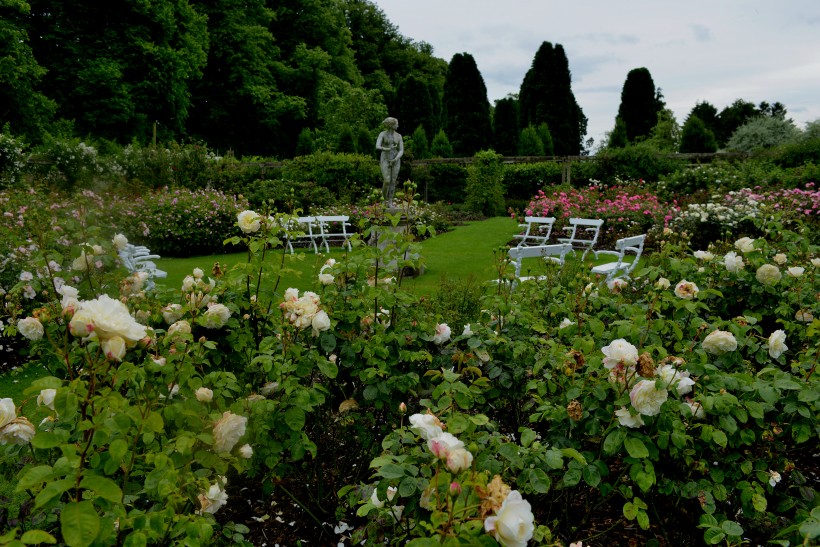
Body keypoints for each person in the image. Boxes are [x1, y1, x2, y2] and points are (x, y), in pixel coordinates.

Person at [375, 117, 404, 206]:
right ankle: (384, 200)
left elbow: (401, 150)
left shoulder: (399, 136)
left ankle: (390, 201)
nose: (398, 125)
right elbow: (377, 146)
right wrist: (387, 149)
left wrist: (395, 159)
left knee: (393, 181)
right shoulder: (382, 134)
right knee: (387, 180)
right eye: (396, 124)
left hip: (395, 160)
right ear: (391, 125)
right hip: (385, 159)